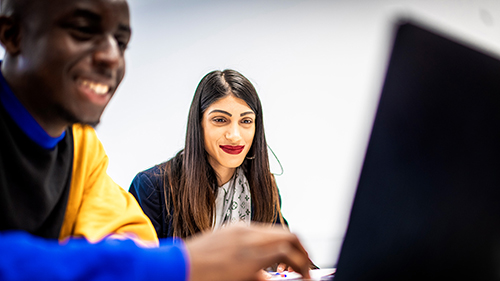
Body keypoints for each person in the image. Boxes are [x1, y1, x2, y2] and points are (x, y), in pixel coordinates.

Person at [0, 0, 312, 280]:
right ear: (12, 35)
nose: (111, 56)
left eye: (121, 42)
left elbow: (129, 235)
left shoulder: (82, 144)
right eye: (82, 30)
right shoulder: (154, 184)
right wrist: (184, 262)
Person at [130, 69, 286, 239]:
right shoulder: (152, 187)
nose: (234, 135)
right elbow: (135, 263)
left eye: (246, 121)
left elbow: (285, 254)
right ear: (199, 124)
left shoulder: (263, 185)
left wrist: (286, 263)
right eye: (220, 120)